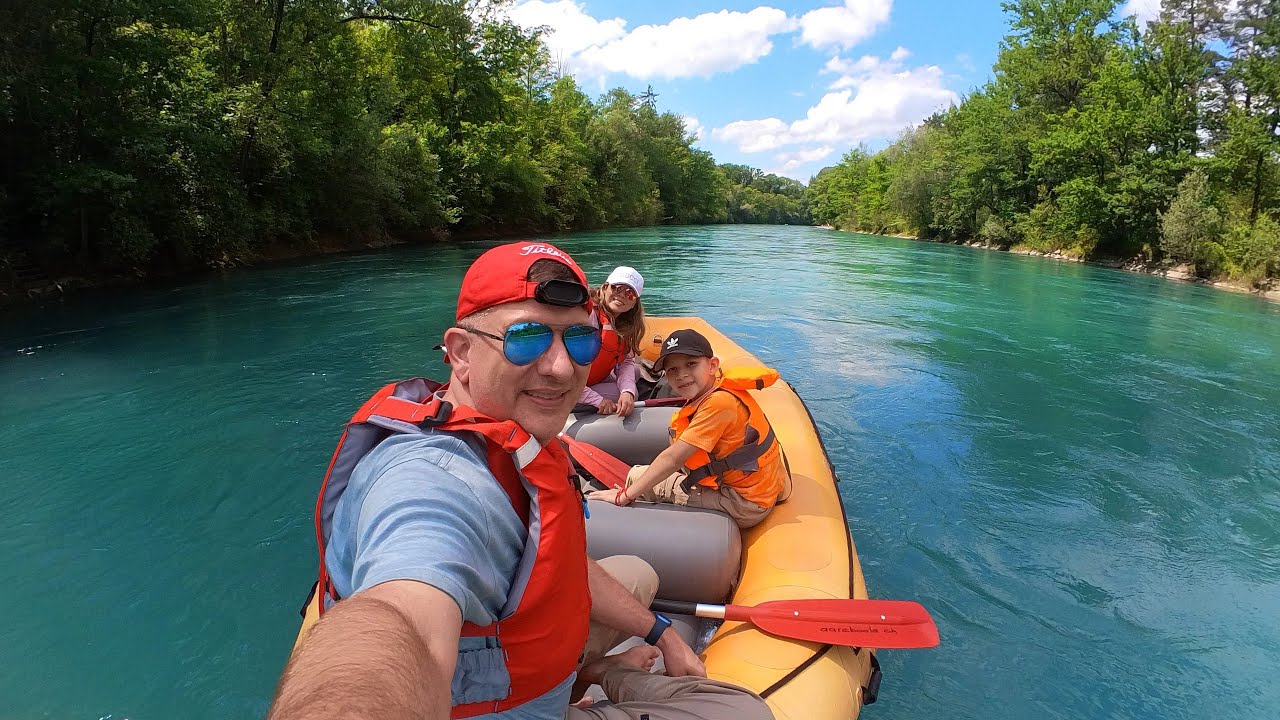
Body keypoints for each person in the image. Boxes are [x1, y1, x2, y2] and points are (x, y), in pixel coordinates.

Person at [268, 243, 772, 720]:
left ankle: (595, 673)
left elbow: (560, 560)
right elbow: (402, 618)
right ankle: (602, 683)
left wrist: (663, 633)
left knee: (637, 573)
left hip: (537, 653)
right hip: (514, 703)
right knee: (742, 712)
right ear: (461, 352)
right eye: (526, 338)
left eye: (579, 340)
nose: (560, 367)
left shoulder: (515, 436)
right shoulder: (429, 481)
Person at [587, 329, 789, 530]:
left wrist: (624, 496)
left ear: (713, 365)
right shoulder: (721, 390)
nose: (682, 375)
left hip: (743, 503)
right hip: (760, 489)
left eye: (691, 364)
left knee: (636, 477)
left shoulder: (719, 404)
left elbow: (673, 459)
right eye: (672, 369)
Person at [578, 267, 646, 417]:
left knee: (634, 373)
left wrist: (627, 391)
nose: (621, 295)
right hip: (570, 389)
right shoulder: (587, 318)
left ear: (634, 303)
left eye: (630, 293)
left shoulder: (624, 325)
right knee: (629, 392)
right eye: (617, 288)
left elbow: (626, 361)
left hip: (592, 379)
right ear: (605, 288)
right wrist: (598, 400)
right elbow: (565, 377)